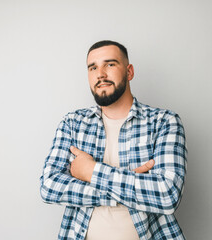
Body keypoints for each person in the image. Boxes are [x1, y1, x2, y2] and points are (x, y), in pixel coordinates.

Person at [40, 40, 187, 240]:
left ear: (129, 72)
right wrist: (127, 183)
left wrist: (91, 171)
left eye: (110, 64)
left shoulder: (163, 122)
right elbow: (49, 186)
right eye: (93, 67)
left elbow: (167, 194)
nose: (100, 74)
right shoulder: (73, 123)